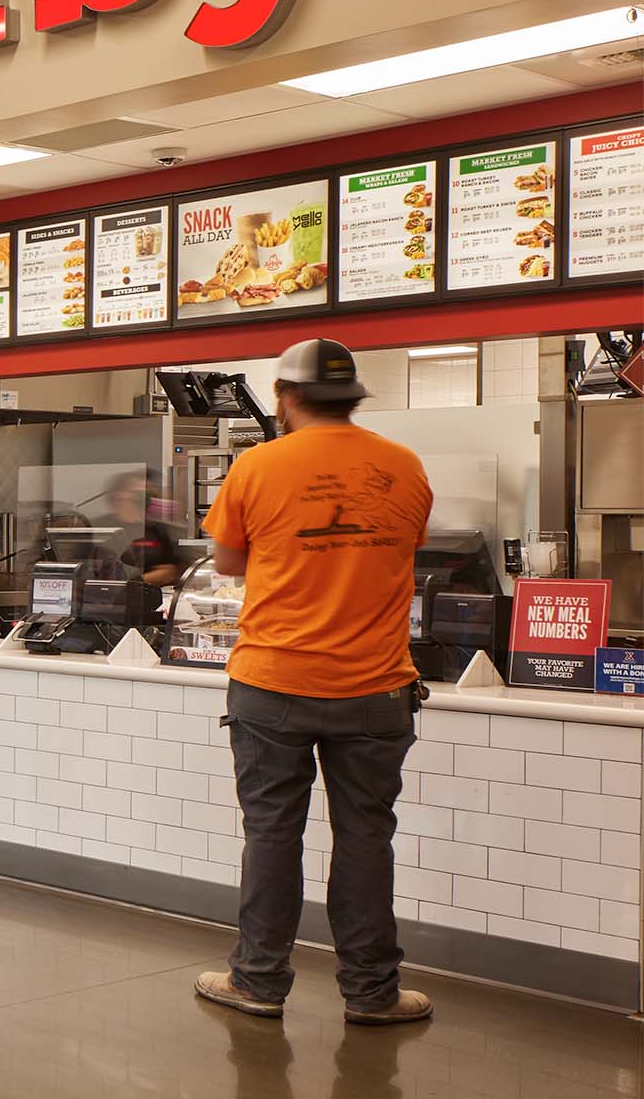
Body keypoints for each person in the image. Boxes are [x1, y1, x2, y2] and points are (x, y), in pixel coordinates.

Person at [193, 338, 435, 1026]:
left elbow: (230, 564)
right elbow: (404, 552)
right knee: (366, 836)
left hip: (273, 684)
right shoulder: (403, 465)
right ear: (353, 396)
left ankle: (259, 981)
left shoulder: (258, 466)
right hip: (377, 688)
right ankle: (373, 993)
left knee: (271, 833)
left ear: (285, 397)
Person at [101, 470, 183, 590]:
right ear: (120, 495)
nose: (146, 494)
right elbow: (107, 580)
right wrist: (149, 578)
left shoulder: (156, 529)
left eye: (148, 491)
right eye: (138, 491)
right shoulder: (103, 529)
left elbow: (172, 571)